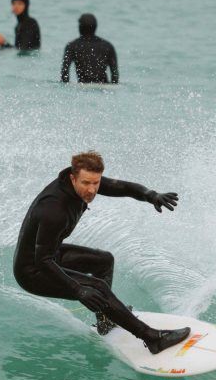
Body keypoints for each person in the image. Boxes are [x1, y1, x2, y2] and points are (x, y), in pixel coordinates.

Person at [13, 151, 191, 354]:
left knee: (104, 261)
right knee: (97, 288)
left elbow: (122, 187)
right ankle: (152, 339)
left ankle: (105, 319)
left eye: (96, 183)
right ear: (73, 178)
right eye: (87, 183)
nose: (92, 190)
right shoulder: (54, 209)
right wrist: (78, 290)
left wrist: (151, 195)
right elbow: (42, 260)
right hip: (33, 271)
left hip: (50, 255)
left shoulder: (83, 183)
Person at [60, 13, 118, 84]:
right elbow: (115, 75)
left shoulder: (72, 46)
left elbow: (64, 73)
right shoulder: (107, 46)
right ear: (95, 27)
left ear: (80, 27)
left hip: (83, 87)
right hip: (104, 88)